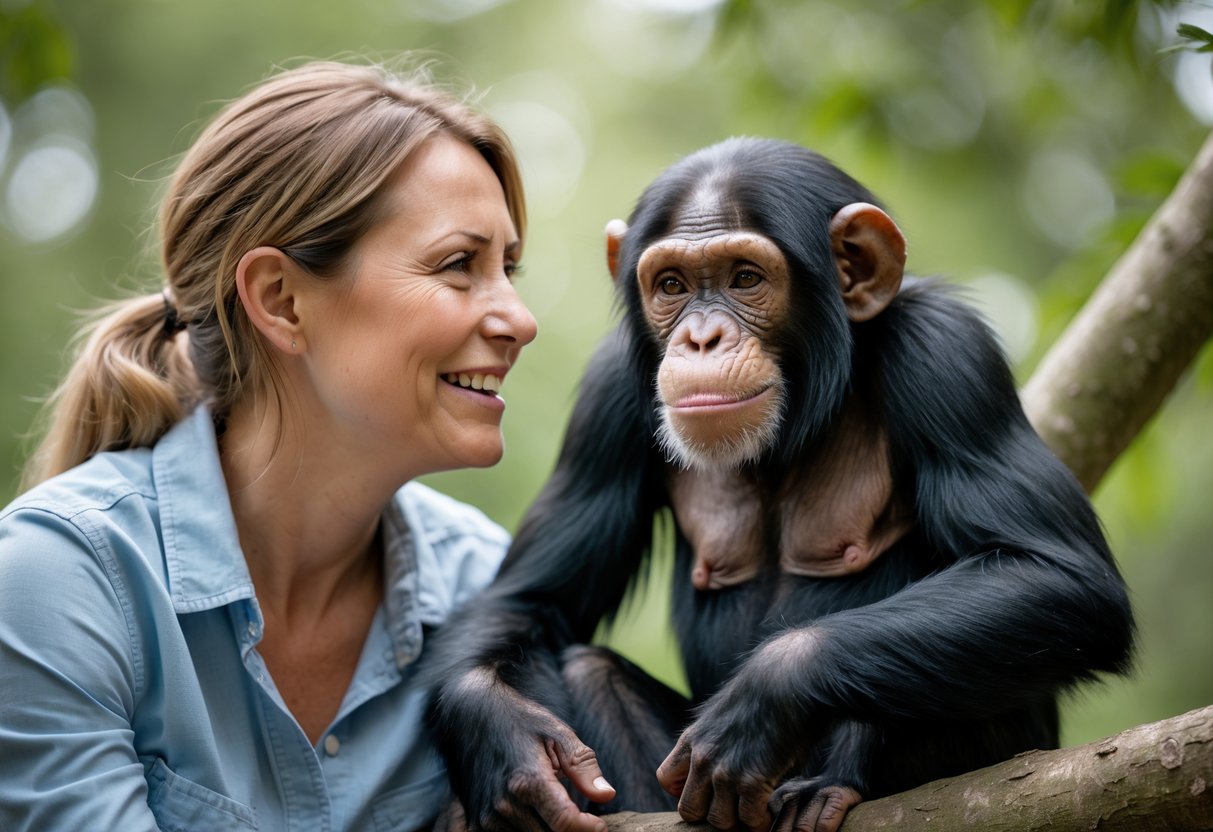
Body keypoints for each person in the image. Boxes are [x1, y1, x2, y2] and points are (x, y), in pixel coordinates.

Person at [0, 59, 540, 831]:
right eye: (460, 265)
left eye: (509, 268)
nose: (518, 318)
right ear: (282, 301)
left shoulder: (486, 588)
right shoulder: (58, 581)